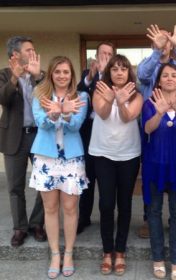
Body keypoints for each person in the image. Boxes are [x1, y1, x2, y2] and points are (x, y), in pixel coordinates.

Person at [29, 56, 88, 279]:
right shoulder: (40, 96)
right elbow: (40, 123)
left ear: (72, 75)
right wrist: (54, 112)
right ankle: (55, 254)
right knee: (51, 208)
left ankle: (69, 253)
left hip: (71, 159)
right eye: (57, 72)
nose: (62, 76)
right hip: (46, 159)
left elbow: (76, 126)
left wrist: (64, 111)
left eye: (66, 72)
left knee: (71, 209)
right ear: (51, 74)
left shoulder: (81, 96)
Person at [137, 24, 176, 238]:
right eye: (159, 40)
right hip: (152, 121)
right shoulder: (150, 64)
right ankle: (149, 219)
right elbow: (142, 76)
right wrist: (156, 51)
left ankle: (174, 219)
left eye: (166, 41)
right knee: (152, 177)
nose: (169, 78)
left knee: (174, 187)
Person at [89, 54, 142, 276]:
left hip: (129, 154)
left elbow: (129, 116)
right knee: (106, 204)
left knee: (125, 204)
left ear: (129, 72)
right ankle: (107, 252)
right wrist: (111, 98)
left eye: (123, 68)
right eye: (114, 69)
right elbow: (101, 113)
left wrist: (121, 100)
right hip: (102, 154)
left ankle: (120, 251)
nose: (119, 72)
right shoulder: (99, 91)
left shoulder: (137, 94)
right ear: (108, 73)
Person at [141, 63, 176, 280]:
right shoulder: (149, 103)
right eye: (165, 75)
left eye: (174, 75)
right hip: (154, 164)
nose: (170, 78)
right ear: (159, 80)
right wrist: (159, 112)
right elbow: (147, 129)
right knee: (153, 213)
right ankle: (158, 259)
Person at [0, 36, 46, 247]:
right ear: (16, 55)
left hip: (39, 135)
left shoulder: (41, 76)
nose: (33, 53)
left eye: (34, 49)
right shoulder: (4, 74)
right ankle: (20, 227)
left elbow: (48, 100)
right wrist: (14, 79)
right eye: (29, 49)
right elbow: (3, 99)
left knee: (44, 183)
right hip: (14, 137)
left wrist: (36, 78)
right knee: (15, 186)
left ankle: (37, 223)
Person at [77, 41, 115, 234]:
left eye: (109, 54)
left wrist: (103, 75)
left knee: (107, 177)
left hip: (109, 130)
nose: (106, 57)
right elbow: (78, 92)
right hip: (90, 130)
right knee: (88, 175)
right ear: (96, 56)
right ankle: (84, 217)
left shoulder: (116, 75)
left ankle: (107, 217)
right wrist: (93, 75)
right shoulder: (88, 75)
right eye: (103, 53)